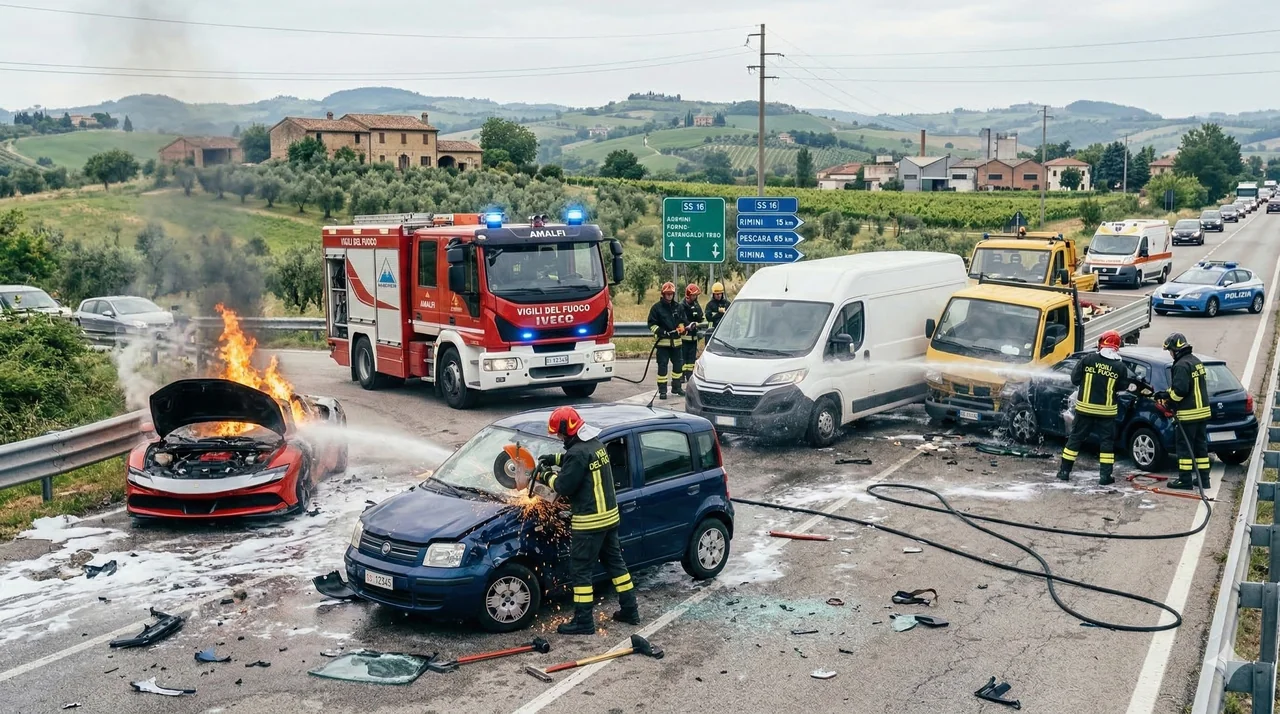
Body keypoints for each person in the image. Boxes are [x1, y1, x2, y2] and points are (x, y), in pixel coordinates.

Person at [536, 406, 638, 634]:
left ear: (568, 430)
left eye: (560, 434)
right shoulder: (596, 445)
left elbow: (563, 486)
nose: (559, 438)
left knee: (581, 570)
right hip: (610, 519)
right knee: (616, 565)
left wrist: (545, 475)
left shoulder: (578, 453)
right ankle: (630, 610)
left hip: (589, 523)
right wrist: (556, 458)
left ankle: (583, 621)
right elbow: (579, 460)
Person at [1055, 330, 1135, 486]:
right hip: (1106, 413)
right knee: (1106, 444)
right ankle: (1105, 476)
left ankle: (1064, 472)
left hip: (1085, 409)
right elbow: (1122, 387)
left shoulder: (1088, 359)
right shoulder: (1120, 367)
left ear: (1101, 343)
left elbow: (1075, 379)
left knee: (1075, 439)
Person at [1158, 332, 1212, 490]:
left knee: (1184, 449)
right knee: (1201, 447)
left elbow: (1180, 391)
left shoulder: (1181, 365)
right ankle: (1204, 480)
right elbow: (1188, 386)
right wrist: (1168, 392)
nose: (1170, 354)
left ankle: (1185, 480)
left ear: (1176, 350)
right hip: (1202, 412)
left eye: (1170, 351)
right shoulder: (1196, 362)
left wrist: (1167, 398)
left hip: (1188, 414)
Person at [646, 282, 687, 399]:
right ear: (663, 294)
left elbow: (682, 320)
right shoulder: (656, 308)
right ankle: (662, 390)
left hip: (676, 344)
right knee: (662, 367)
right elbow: (651, 324)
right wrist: (662, 332)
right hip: (663, 345)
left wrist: (682, 327)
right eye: (667, 294)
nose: (669, 296)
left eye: (671, 294)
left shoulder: (678, 307)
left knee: (678, 367)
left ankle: (677, 387)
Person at [680, 283, 704, 384]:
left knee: (691, 359)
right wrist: (689, 324)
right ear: (688, 295)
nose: (695, 297)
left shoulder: (696, 304)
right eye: (694, 295)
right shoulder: (682, 306)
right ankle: (681, 375)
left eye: (696, 295)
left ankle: (689, 375)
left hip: (694, 338)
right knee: (682, 358)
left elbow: (701, 317)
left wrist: (696, 313)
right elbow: (682, 318)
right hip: (684, 338)